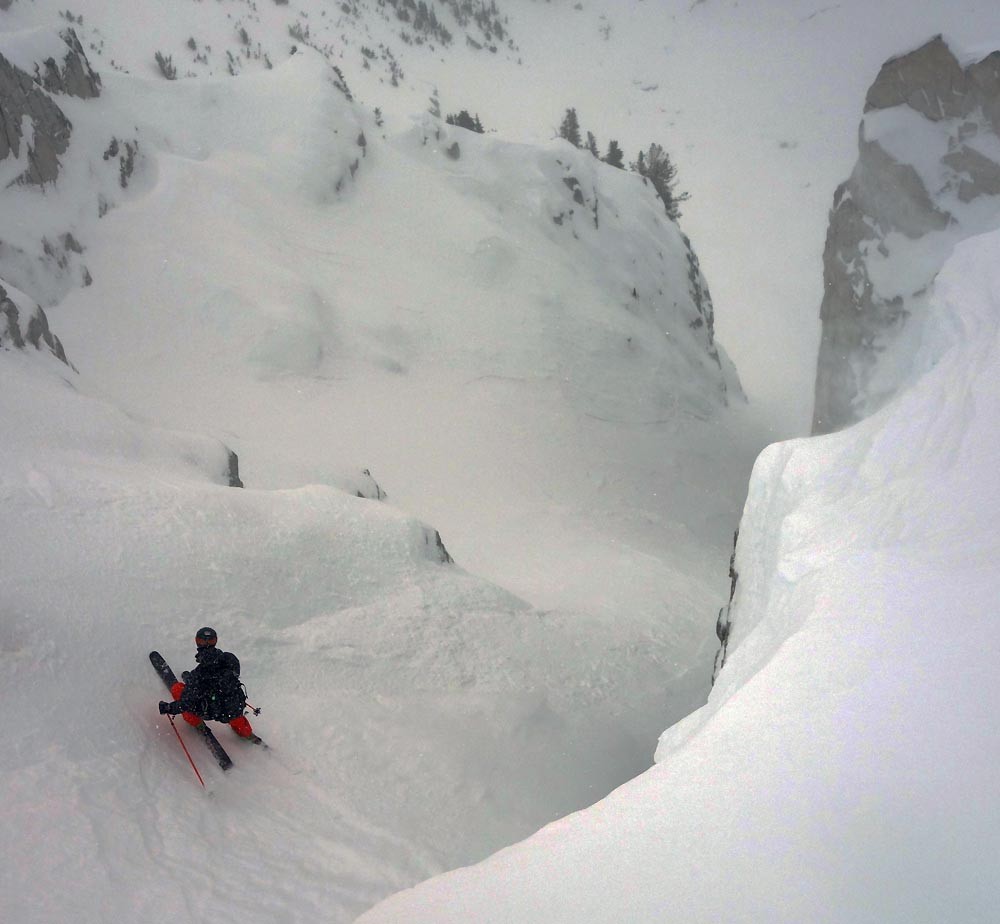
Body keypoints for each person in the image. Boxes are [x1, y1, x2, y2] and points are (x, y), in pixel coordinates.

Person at [158, 627, 261, 743]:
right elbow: (231, 677)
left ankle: (198, 724)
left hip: (211, 711)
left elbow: (186, 703)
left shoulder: (198, 675)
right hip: (232, 710)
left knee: (178, 689)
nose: (206, 644)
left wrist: (168, 708)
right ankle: (247, 733)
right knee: (234, 713)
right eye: (203, 641)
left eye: (209, 640)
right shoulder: (230, 659)